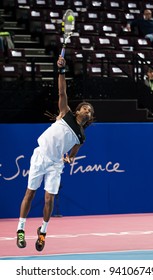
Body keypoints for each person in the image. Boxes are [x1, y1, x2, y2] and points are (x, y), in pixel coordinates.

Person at [16, 55, 95, 251]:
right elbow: (62, 91)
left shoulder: (82, 137)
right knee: (30, 193)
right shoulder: (65, 113)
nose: (87, 111)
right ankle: (20, 229)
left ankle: (42, 232)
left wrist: (69, 158)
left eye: (90, 111)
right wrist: (61, 70)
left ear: (90, 118)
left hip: (55, 164)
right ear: (78, 111)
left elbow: (72, 154)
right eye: (85, 108)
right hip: (40, 156)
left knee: (49, 198)